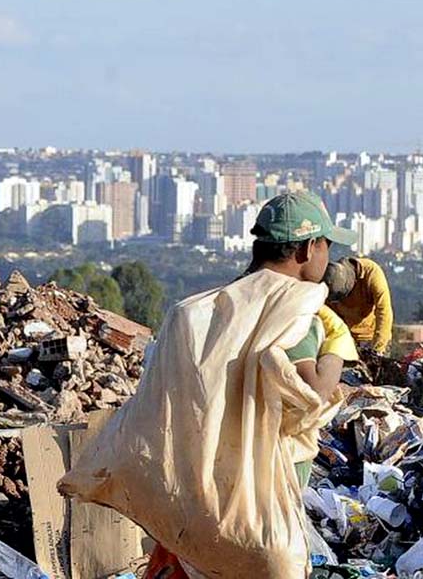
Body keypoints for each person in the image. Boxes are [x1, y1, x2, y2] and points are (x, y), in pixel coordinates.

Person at [143, 190, 359, 579]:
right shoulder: (293, 311)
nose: (329, 256)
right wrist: (336, 349)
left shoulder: (205, 309)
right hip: (262, 497)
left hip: (200, 487)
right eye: (328, 244)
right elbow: (312, 392)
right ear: (309, 249)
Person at [323, 255, 394, 355]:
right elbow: (326, 317)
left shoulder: (371, 273)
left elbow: (384, 310)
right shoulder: (330, 281)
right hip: (347, 339)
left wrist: (378, 348)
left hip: (373, 336)